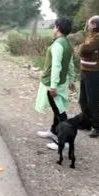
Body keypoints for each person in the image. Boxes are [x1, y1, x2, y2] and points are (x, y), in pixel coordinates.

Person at [35, 18, 76, 150]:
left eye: (54, 27)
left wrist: (53, 86)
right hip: (61, 82)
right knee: (56, 109)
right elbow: (70, 64)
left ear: (57, 28)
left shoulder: (58, 44)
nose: (53, 29)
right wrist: (71, 79)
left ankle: (62, 140)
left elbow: (56, 66)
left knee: (60, 112)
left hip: (54, 84)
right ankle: (53, 131)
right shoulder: (67, 43)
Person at [78, 15, 99, 138]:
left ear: (95, 24)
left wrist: (81, 48)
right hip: (84, 69)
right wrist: (82, 48)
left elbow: (85, 48)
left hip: (94, 71)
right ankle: (87, 123)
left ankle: (96, 126)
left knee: (93, 100)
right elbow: (82, 49)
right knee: (83, 99)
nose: (87, 25)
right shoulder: (90, 35)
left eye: (89, 23)